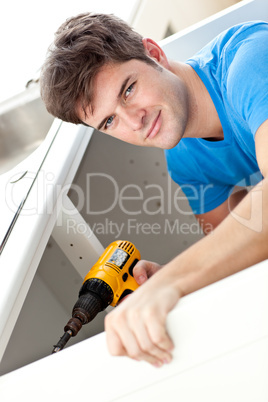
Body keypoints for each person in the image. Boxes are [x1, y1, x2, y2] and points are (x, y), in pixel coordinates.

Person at [40, 13, 268, 368]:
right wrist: (169, 281)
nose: (135, 121)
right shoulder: (185, 162)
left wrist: (174, 283)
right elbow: (237, 244)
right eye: (110, 121)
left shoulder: (251, 60)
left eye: (128, 89)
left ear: (154, 53)